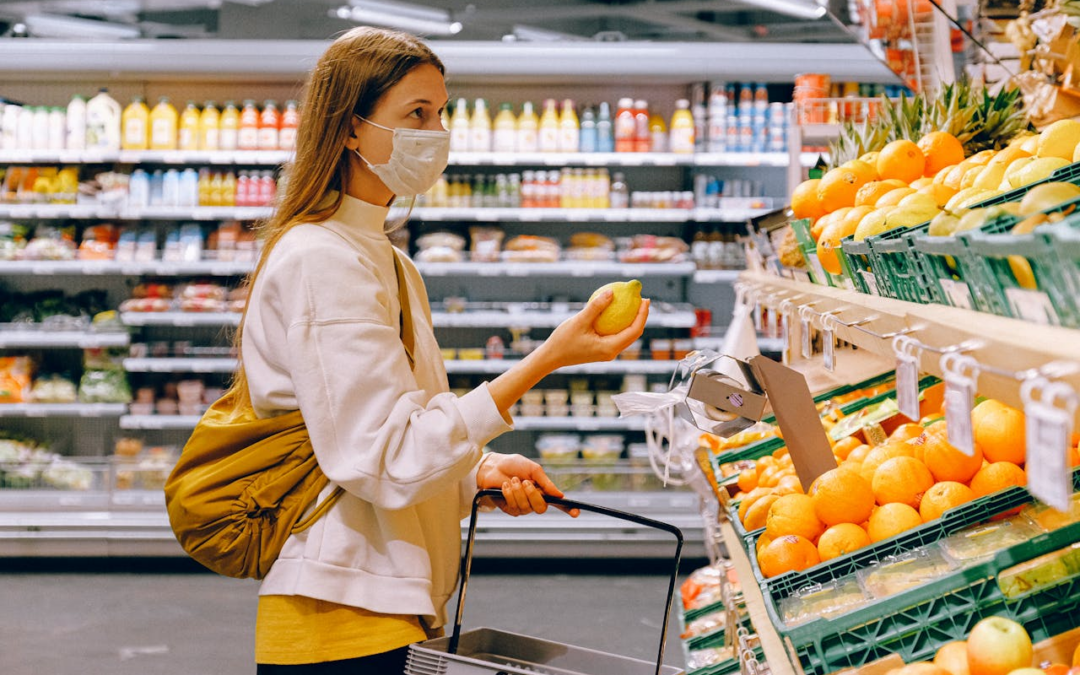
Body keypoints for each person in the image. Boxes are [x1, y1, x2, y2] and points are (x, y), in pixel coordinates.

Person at [233, 26, 650, 673]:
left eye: (441, 112)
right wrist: (545, 360)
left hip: (388, 606)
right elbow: (384, 456)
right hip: (339, 617)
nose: (436, 132)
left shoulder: (389, 261)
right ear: (350, 128)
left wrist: (473, 471)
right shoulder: (322, 259)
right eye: (416, 114)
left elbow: (397, 430)